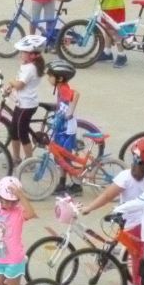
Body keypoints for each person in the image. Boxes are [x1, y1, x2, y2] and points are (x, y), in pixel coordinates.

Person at [80, 136, 144, 285]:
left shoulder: (126, 176)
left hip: (133, 224)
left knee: (136, 259)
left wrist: (88, 208)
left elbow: (107, 196)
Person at [4, 35, 46, 164]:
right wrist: (12, 86)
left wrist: (11, 82)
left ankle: (30, 161)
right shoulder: (27, 66)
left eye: (23, 52)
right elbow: (19, 82)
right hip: (21, 102)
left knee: (22, 133)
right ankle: (16, 158)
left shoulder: (30, 68)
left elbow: (20, 84)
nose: (21, 54)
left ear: (32, 55)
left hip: (27, 105)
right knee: (13, 131)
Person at [44, 60, 80, 194]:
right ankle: (62, 182)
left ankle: (77, 185)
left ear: (59, 78)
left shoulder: (64, 88)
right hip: (61, 127)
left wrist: (69, 113)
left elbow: (76, 94)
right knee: (60, 156)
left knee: (65, 158)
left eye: (50, 76)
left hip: (67, 128)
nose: (48, 78)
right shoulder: (60, 87)